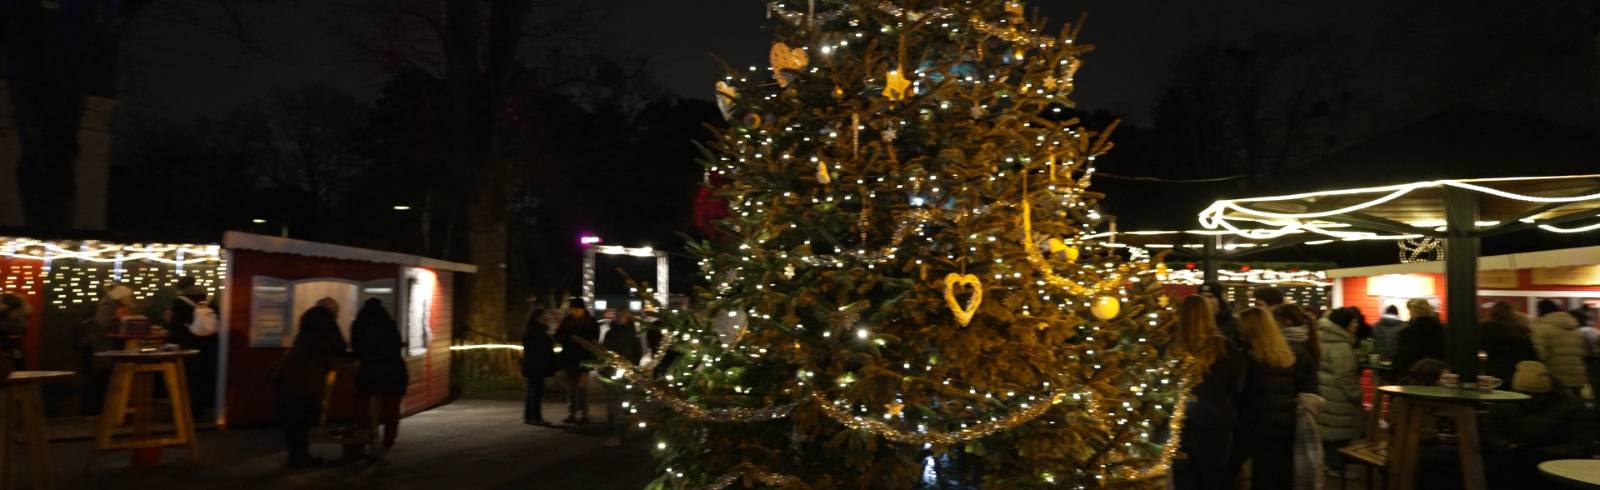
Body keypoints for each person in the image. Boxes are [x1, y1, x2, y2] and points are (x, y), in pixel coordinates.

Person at [1229, 307, 1318, 490]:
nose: (1238, 330)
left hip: (1254, 425)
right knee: (1277, 475)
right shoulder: (1286, 357)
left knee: (1233, 470)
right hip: (1284, 425)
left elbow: (1239, 393)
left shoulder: (1248, 358)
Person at [1169, 295, 1246, 490]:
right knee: (1213, 474)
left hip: (1181, 421)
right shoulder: (1224, 347)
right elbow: (1237, 384)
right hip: (1215, 420)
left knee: (1185, 476)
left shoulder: (1174, 348)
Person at [1481, 361, 1592, 487]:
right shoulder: (1572, 406)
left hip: (1551, 466)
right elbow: (1489, 434)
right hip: (1518, 463)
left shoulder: (1572, 407)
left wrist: (1536, 452)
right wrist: (1509, 447)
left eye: (1534, 396)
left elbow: (1580, 445)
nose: (1529, 401)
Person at [271, 299, 349, 468]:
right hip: (310, 377)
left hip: (291, 375)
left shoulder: (306, 322)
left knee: (292, 418)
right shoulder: (327, 324)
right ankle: (302, 457)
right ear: (331, 311)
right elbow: (339, 347)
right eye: (336, 311)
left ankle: (295, 456)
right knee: (304, 418)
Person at [350, 298, 408, 451]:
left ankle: (363, 438)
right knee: (391, 409)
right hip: (393, 372)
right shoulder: (389, 324)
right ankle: (387, 442)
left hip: (368, 372)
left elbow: (357, 348)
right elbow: (396, 344)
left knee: (363, 406)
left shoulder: (358, 324)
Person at [1316, 307, 1366, 478]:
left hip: (1326, 393)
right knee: (1338, 434)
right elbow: (1345, 376)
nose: (1356, 325)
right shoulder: (1341, 345)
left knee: (1329, 433)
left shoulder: (1323, 338)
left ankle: (1328, 464)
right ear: (1343, 323)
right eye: (1353, 322)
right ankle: (1336, 467)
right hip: (1339, 397)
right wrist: (1357, 394)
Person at [168, 283, 219, 417]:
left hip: (187, 347)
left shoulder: (179, 304)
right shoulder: (210, 304)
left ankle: (188, 410)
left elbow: (175, 326)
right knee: (202, 378)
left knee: (188, 379)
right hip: (208, 348)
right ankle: (202, 407)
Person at [600, 310, 644, 447]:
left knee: (622, 402)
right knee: (614, 402)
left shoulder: (632, 334)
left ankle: (619, 433)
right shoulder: (610, 333)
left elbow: (638, 352)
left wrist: (632, 366)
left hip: (626, 372)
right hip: (611, 372)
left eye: (621, 316)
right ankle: (616, 432)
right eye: (617, 316)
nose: (618, 318)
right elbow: (604, 351)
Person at [554, 298, 600, 424]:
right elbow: (558, 335)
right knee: (571, 387)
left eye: (575, 309)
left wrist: (582, 341)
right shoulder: (567, 321)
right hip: (569, 358)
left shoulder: (591, 322)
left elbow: (594, 339)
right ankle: (572, 413)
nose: (573, 311)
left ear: (582, 309)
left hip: (584, 358)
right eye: (572, 309)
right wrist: (568, 338)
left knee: (582, 387)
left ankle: (583, 414)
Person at [1531, 300, 1587, 393]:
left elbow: (1540, 355)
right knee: (1575, 404)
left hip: (1555, 378)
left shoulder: (1542, 329)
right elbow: (1584, 352)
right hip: (1578, 377)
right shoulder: (1576, 328)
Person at [1479, 301, 1537, 383]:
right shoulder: (1520, 332)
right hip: (1516, 376)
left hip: (1489, 375)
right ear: (1512, 314)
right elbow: (1531, 357)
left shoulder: (1483, 329)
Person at [1392, 299, 1445, 384]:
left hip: (1413, 380)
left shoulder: (1408, 332)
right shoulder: (1442, 330)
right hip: (1437, 380)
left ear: (1414, 313)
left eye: (1410, 312)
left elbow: (1402, 360)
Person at [522, 307, 555, 425]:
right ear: (538, 318)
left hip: (532, 365)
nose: (547, 319)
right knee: (536, 391)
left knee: (532, 390)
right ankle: (536, 417)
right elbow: (539, 350)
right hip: (537, 365)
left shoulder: (531, 330)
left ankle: (529, 416)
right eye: (545, 316)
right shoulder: (537, 332)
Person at [0, 293, 30, 378]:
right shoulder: (13, 317)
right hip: (12, 354)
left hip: (10, 355)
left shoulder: (16, 320)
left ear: (7, 305)